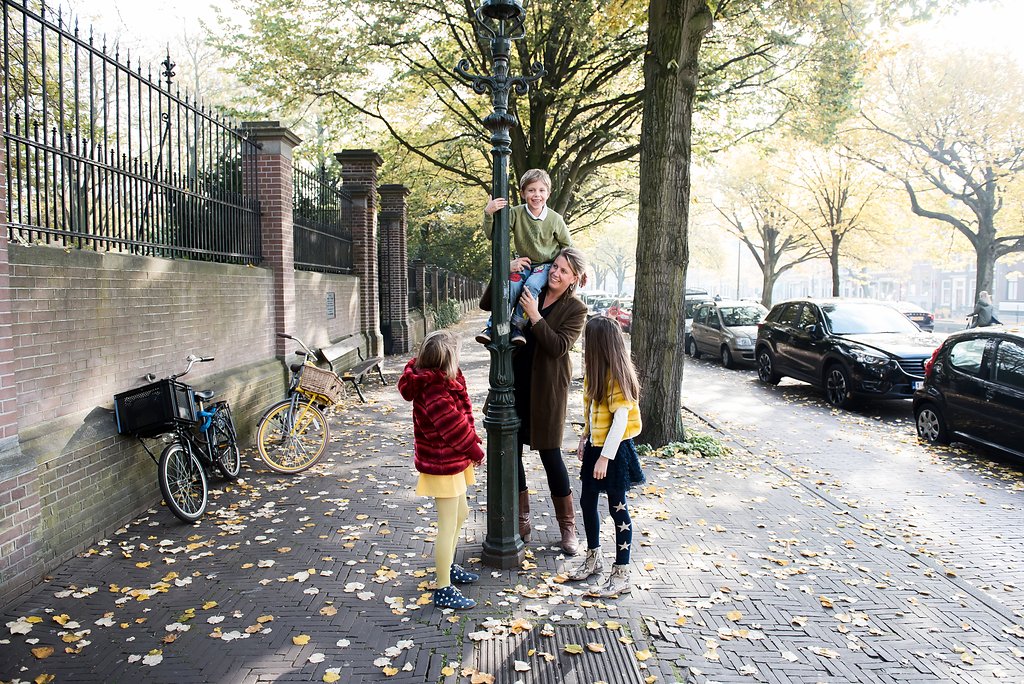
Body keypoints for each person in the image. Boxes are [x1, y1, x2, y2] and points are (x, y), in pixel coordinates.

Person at [482, 246, 589, 555]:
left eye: (564, 271)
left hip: (547, 390)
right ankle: (522, 520)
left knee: (550, 455)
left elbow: (559, 347)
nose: (555, 273)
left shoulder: (576, 309)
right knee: (512, 452)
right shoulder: (533, 287)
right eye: (555, 266)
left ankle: (568, 527)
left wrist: (534, 315)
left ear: (574, 278)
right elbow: (488, 303)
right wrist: (505, 269)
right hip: (513, 384)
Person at [397, 330, 485, 610]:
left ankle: (447, 566)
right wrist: (475, 450)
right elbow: (454, 428)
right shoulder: (434, 391)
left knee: (461, 514)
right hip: (442, 463)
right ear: (446, 361)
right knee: (447, 525)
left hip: (452, 462)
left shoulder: (443, 381)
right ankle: (443, 588)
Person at [564, 315, 645, 597]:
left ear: (601, 344)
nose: (585, 345)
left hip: (615, 451)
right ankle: (593, 557)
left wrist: (605, 458)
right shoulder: (595, 373)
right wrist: (584, 439)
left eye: (589, 340)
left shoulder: (618, 378)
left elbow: (620, 423)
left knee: (617, 507)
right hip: (596, 447)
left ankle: (621, 573)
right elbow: (591, 412)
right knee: (587, 502)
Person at [477, 169, 573, 347]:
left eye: (541, 190)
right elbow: (493, 235)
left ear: (548, 194)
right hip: (525, 263)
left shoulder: (555, 219)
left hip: (545, 265)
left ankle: (517, 326)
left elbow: (568, 246)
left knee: (531, 287)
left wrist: (577, 270)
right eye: (531, 190)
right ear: (522, 193)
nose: (537, 195)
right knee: (512, 285)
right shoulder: (515, 213)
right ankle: (494, 326)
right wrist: (488, 214)